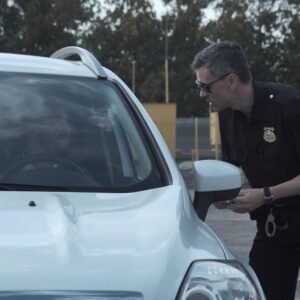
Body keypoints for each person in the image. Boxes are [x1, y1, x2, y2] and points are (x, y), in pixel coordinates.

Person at [192, 40, 300, 300]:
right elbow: (228, 170)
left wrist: (266, 195)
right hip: (276, 228)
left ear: (230, 81)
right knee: (261, 293)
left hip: (277, 207)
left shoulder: (289, 106)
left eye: (205, 87)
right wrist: (221, 195)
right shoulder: (227, 116)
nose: (201, 95)